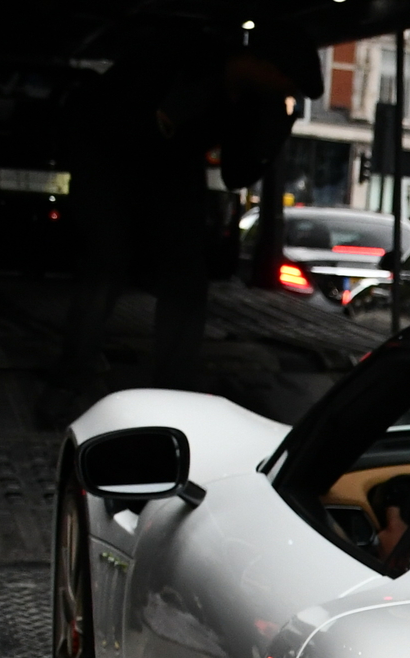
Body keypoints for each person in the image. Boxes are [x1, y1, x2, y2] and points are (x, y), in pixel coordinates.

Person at [54, 28, 308, 397]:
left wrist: (275, 130)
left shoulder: (252, 101)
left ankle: (173, 387)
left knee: (186, 282)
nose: (283, 90)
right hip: (113, 171)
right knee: (105, 270)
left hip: (171, 181)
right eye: (284, 79)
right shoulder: (183, 60)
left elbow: (236, 172)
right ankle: (71, 379)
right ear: (262, 63)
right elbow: (106, 120)